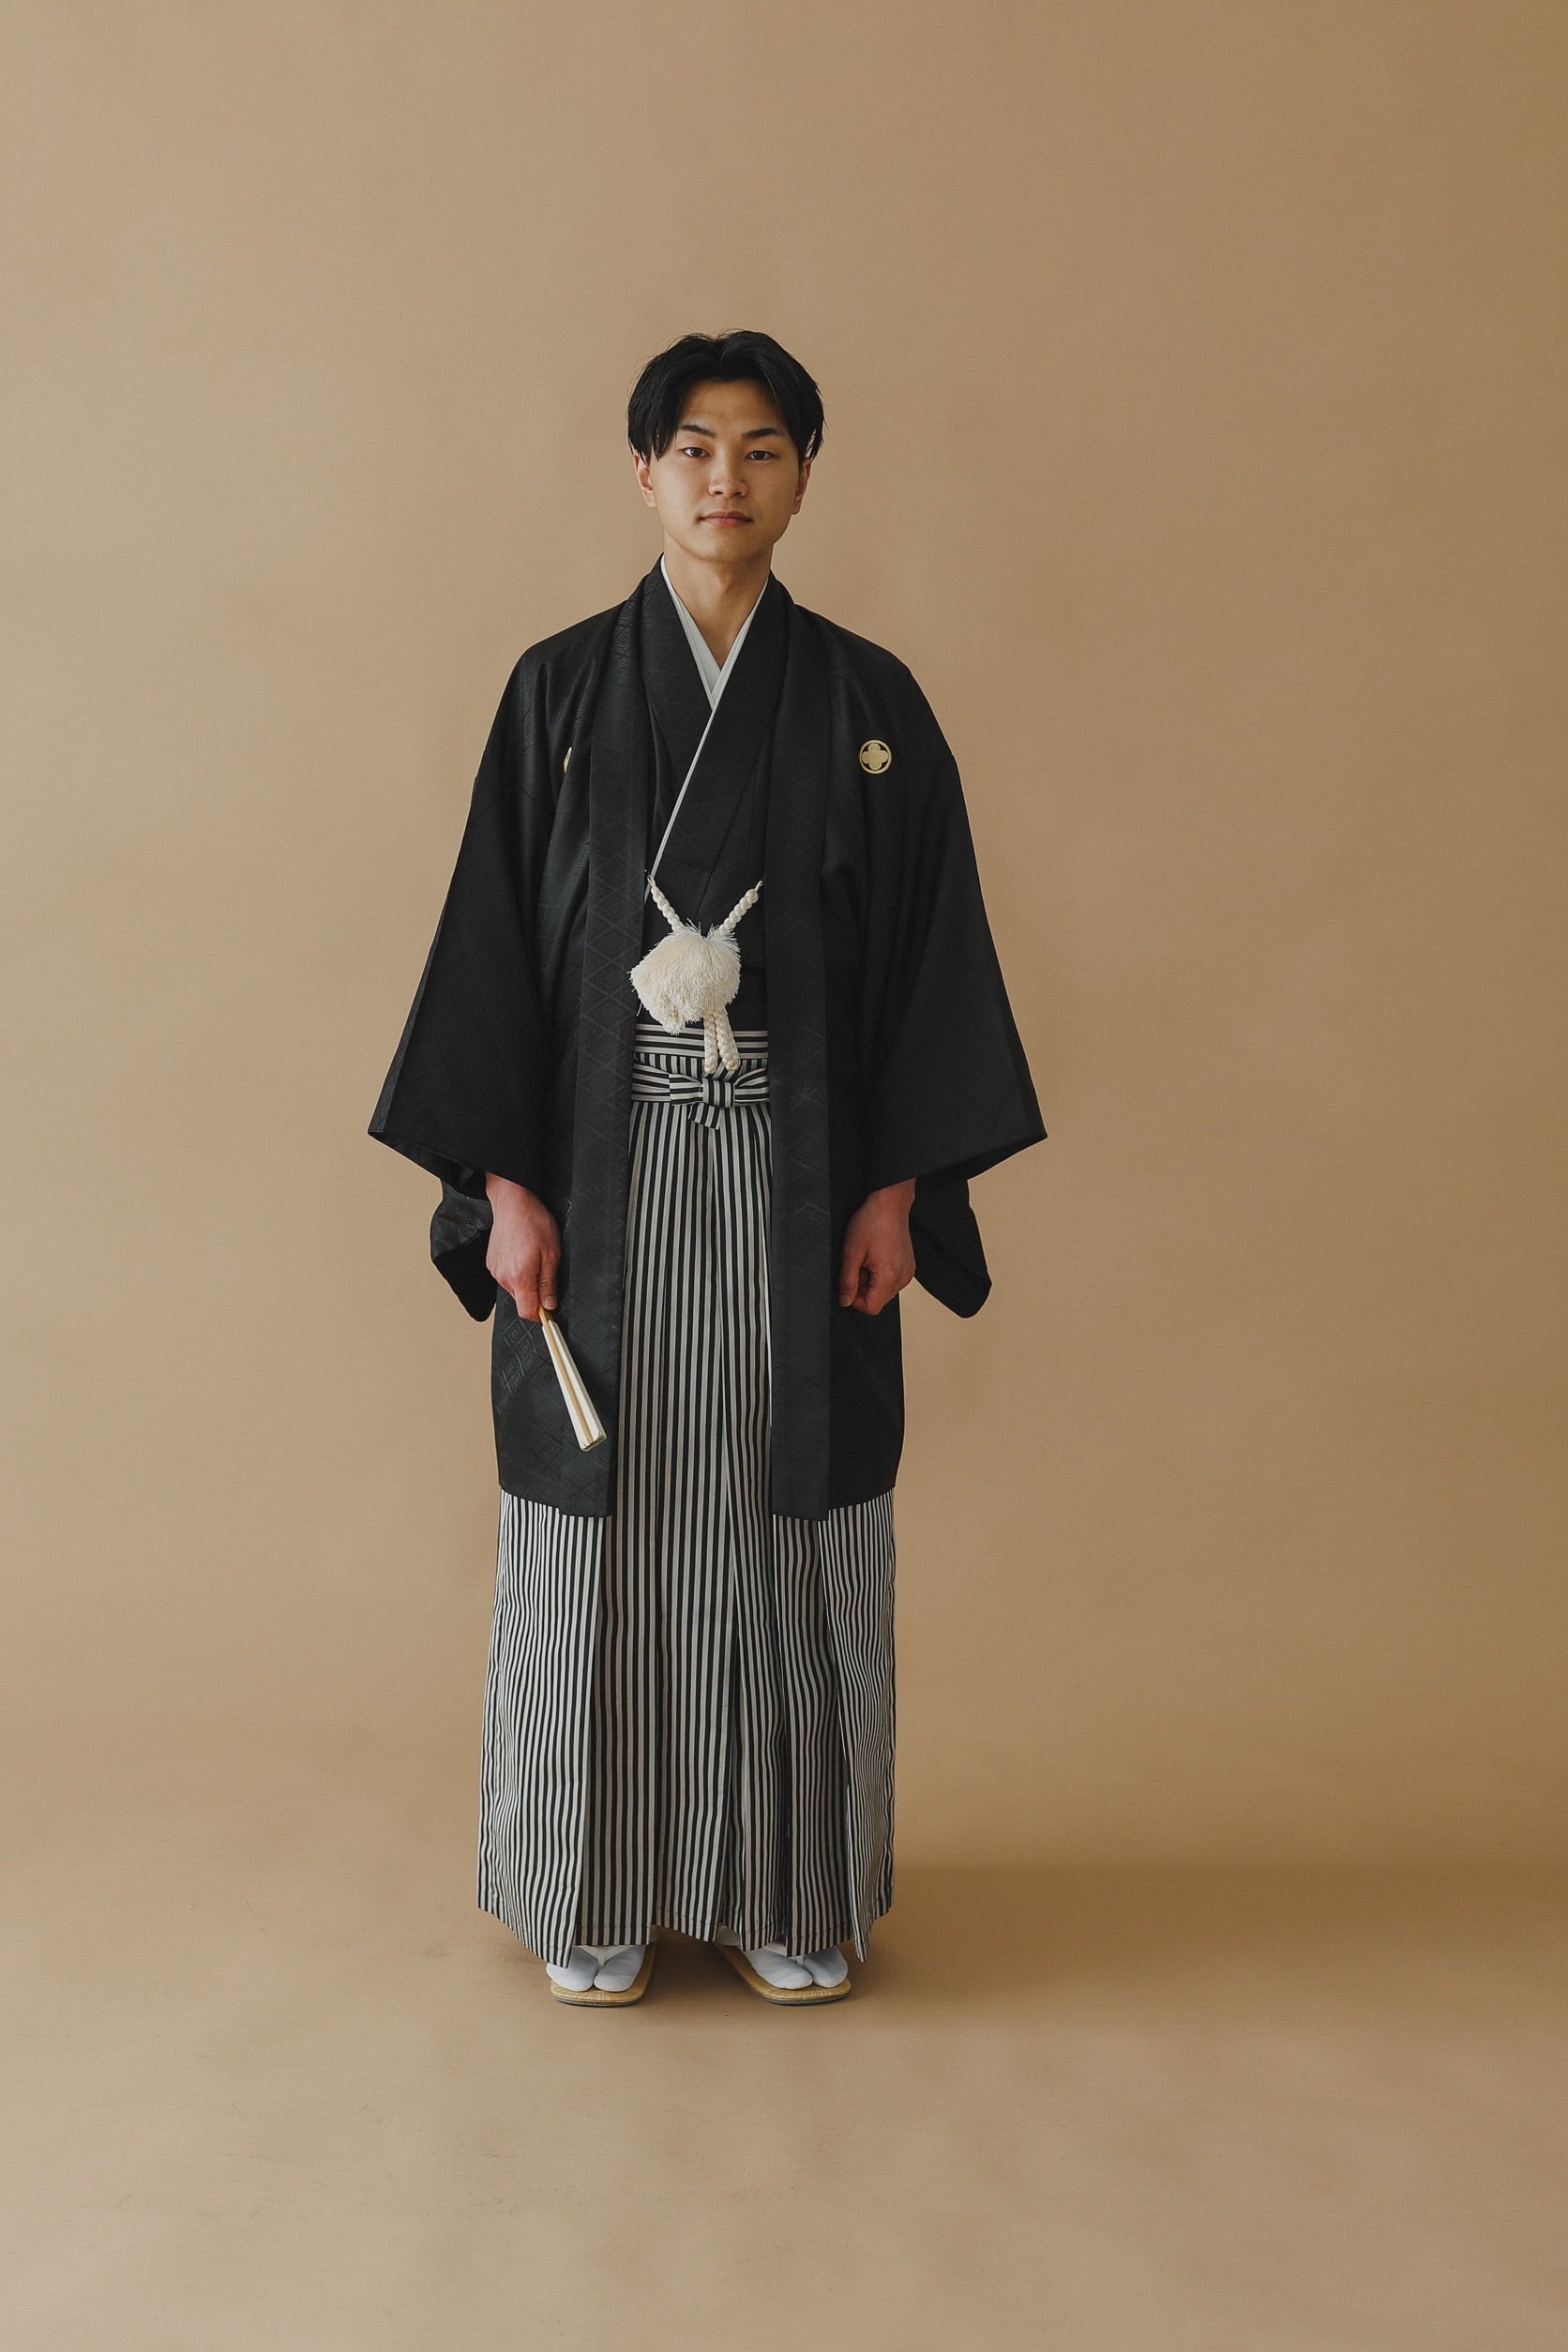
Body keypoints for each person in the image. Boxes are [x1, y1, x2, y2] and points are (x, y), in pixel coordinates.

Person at [369, 329, 1046, 2008]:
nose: (723, 479)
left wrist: (897, 1187)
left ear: (804, 475)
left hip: (802, 1182)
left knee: (786, 1525)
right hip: (600, 1179)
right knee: (601, 1527)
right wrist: (501, 1187)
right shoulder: (559, 693)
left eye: (760, 449)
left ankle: (786, 1884)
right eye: (691, 447)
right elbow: (492, 953)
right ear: (643, 474)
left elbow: (928, 959)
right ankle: (589, 1884)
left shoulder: (871, 705)